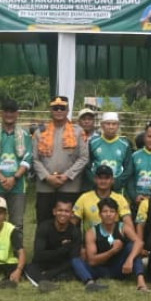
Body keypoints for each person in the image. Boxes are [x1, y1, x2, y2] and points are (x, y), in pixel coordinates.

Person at [32, 95, 90, 224]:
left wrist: (67, 176)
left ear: (67, 110)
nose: (59, 111)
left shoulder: (78, 132)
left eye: (62, 108)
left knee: (70, 222)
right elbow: (35, 159)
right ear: (51, 110)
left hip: (69, 185)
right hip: (45, 185)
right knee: (44, 221)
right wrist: (47, 177)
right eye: (55, 108)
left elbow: (84, 157)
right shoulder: (39, 132)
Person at [29, 199, 104, 292]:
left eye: (66, 211)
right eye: (60, 210)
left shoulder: (75, 231)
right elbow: (38, 255)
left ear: (72, 214)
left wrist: (51, 273)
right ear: (54, 212)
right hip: (44, 263)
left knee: (75, 267)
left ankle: (49, 278)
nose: (63, 214)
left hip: (62, 265)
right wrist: (61, 250)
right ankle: (43, 282)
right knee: (29, 267)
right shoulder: (44, 227)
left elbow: (74, 259)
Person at [0, 100, 33, 226]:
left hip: (18, 185)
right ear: (1, 113)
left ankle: (17, 246)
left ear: (17, 114)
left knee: (17, 223)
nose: (9, 114)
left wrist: (14, 178)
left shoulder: (25, 135)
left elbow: (27, 158)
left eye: (12, 111)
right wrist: (2, 178)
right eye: (6, 111)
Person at [84, 197, 144, 285]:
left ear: (116, 215)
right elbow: (92, 261)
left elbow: (139, 242)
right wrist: (112, 251)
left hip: (121, 268)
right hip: (101, 269)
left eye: (112, 211)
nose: (108, 214)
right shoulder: (91, 232)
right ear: (100, 214)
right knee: (78, 260)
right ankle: (88, 280)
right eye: (105, 211)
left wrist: (129, 260)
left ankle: (141, 281)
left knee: (133, 247)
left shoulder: (123, 227)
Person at [73, 164, 133, 231]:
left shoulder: (120, 199)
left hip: (114, 239)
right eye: (100, 178)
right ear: (95, 179)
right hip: (90, 239)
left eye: (106, 178)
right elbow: (73, 222)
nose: (103, 181)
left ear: (112, 180)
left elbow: (128, 223)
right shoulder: (84, 198)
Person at [89, 112, 132, 190]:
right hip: (96, 186)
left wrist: (118, 182)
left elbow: (128, 168)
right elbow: (87, 166)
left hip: (116, 187)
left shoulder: (125, 144)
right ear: (102, 125)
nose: (111, 127)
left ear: (118, 125)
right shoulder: (92, 142)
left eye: (114, 124)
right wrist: (94, 180)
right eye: (108, 124)